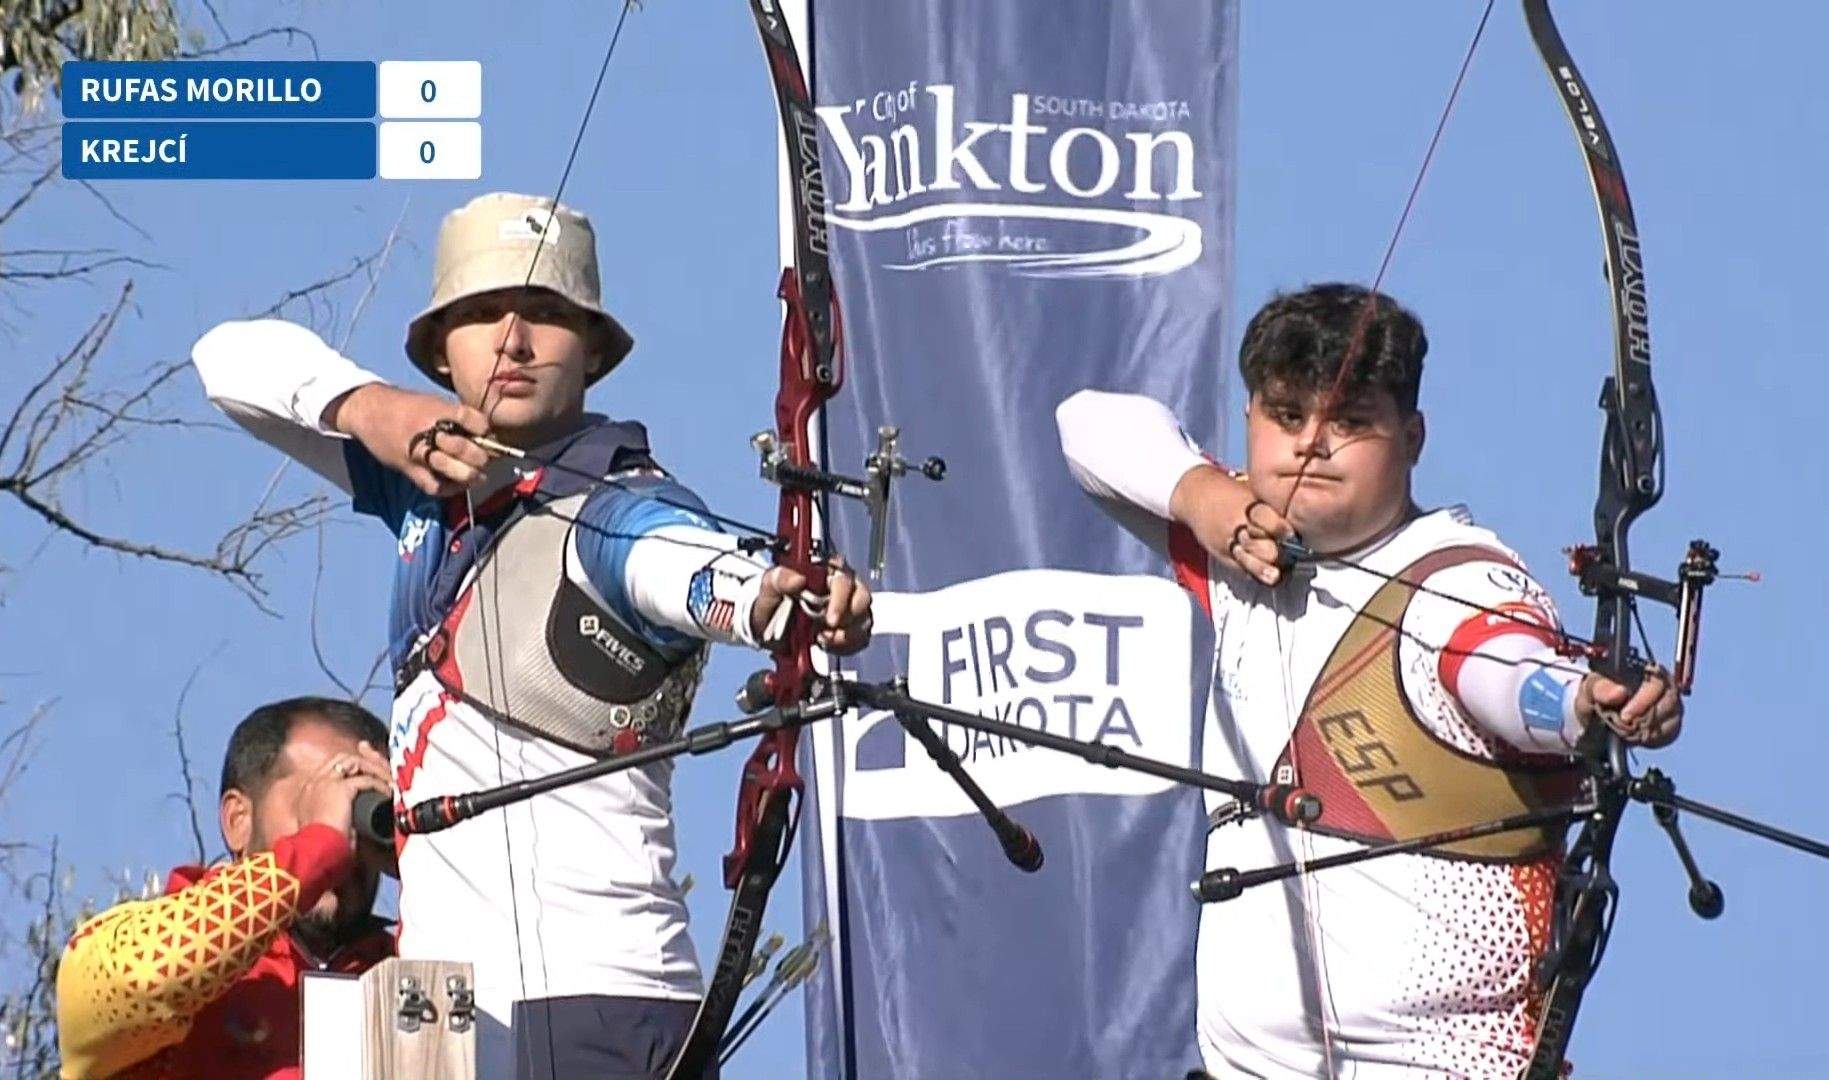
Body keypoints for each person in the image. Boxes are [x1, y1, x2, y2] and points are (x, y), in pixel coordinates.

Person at [189, 192, 873, 1078]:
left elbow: (684, 567)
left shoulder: (619, 505)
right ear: (441, 350)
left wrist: (779, 597)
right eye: (478, 314)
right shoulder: (422, 480)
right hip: (431, 1012)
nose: (511, 339)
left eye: (545, 315)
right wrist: (370, 407)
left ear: (591, 350)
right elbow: (224, 360)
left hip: (589, 1003)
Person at [1056, 283, 1682, 1078]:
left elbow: (1502, 669)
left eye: (1349, 421)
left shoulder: (1462, 576)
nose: (1311, 445)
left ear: (1411, 437)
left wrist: (1582, 702)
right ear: (1248, 416)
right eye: (1286, 416)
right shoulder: (1243, 547)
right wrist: (1201, 494)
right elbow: (1083, 423)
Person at [56, 697, 395, 1079]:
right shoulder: (130, 951)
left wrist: (429, 858)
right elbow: (145, 977)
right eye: (321, 799)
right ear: (238, 820)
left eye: (363, 804)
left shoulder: (411, 969)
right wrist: (317, 848)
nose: (346, 828)